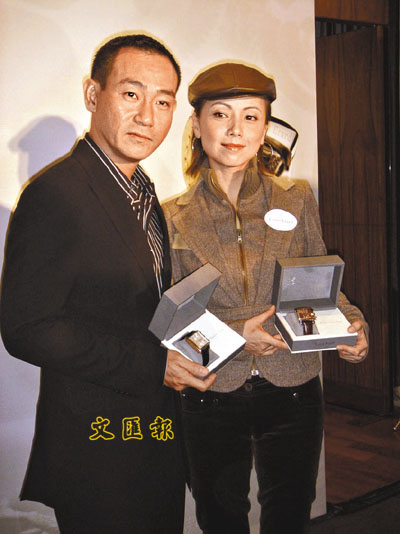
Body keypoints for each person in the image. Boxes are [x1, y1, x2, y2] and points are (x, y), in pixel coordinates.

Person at [0, 34, 215, 534]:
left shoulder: (143, 190)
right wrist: (154, 365)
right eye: (131, 93)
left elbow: (138, 306)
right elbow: (26, 329)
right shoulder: (55, 193)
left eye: (163, 102)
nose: (147, 116)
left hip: (153, 434)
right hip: (97, 451)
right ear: (93, 95)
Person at [163, 62, 369, 534]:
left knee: (290, 511)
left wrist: (353, 323)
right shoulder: (171, 215)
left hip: (294, 385)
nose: (236, 130)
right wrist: (239, 336)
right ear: (196, 125)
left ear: (264, 129)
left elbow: (319, 279)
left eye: (251, 117)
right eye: (221, 114)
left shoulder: (296, 198)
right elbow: (172, 322)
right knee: (219, 515)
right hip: (212, 390)